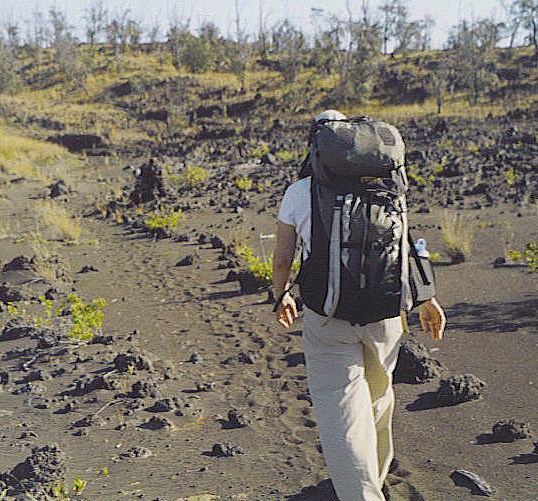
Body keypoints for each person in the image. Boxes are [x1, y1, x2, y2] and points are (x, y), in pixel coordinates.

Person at [272, 110, 446, 501]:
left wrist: (280, 293)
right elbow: (405, 244)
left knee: (341, 411)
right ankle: (375, 475)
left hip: (328, 317)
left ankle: (360, 492)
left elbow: (284, 257)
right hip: (387, 313)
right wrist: (428, 298)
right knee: (380, 395)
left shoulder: (300, 192)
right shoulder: (389, 185)